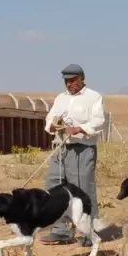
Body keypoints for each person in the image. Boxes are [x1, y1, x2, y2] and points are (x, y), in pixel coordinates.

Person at [41, 64, 106, 246]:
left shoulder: (94, 97)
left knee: (82, 190)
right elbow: (50, 119)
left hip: (82, 149)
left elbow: (99, 121)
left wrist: (79, 128)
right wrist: (52, 126)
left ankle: (89, 233)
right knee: (55, 186)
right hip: (60, 148)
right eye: (66, 81)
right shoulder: (60, 99)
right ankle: (61, 230)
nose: (69, 84)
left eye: (72, 80)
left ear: (82, 78)